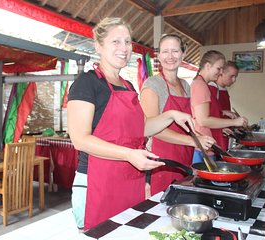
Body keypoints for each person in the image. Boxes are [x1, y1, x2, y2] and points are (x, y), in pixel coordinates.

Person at [67, 17, 196, 231]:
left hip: (128, 181)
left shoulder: (127, 85)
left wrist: (172, 114)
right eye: (116, 41)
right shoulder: (86, 83)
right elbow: (80, 140)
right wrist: (128, 154)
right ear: (98, 46)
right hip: (96, 184)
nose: (124, 48)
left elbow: (142, 128)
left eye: (127, 42)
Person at [140, 34, 215, 196]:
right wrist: (193, 140)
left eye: (175, 51)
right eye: (165, 51)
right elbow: (152, 129)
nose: (170, 56)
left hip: (183, 160)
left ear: (183, 54)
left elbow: (187, 123)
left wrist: (201, 136)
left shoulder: (186, 85)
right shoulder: (153, 85)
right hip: (160, 163)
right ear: (158, 55)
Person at [190, 50, 248, 163]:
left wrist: (222, 128)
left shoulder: (202, 84)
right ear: (207, 66)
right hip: (201, 149)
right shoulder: (200, 86)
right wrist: (234, 122)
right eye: (218, 68)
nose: (221, 72)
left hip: (205, 146)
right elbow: (203, 121)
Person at [208, 60, 240, 151]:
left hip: (225, 132)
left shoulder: (224, 90)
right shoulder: (212, 88)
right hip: (216, 134)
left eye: (235, 77)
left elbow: (222, 110)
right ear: (221, 73)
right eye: (232, 76)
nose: (234, 80)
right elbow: (209, 113)